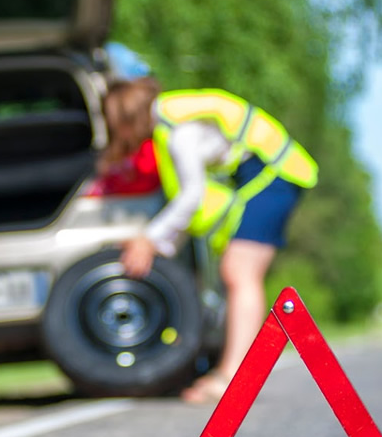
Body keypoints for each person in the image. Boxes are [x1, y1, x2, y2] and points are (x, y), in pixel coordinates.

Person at [101, 77, 319, 403]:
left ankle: (234, 377)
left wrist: (149, 239)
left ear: (125, 120)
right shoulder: (172, 124)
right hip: (264, 175)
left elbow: (192, 196)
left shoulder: (179, 134)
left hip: (272, 176)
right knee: (236, 271)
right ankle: (229, 371)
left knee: (240, 272)